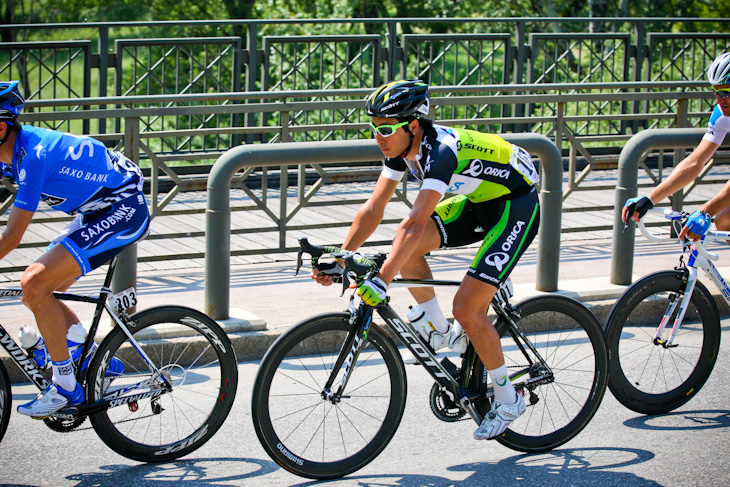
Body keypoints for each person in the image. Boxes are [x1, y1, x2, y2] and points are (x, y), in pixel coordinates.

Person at [311, 79, 540, 440]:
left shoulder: (441, 151)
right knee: (406, 250)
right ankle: (440, 331)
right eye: (372, 127)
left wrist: (381, 281)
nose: (378, 136)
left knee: (467, 307)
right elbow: (374, 208)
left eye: (385, 128)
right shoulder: (401, 150)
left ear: (413, 125)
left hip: (516, 207)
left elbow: (416, 223)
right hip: (478, 202)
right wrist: (343, 258)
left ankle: (508, 397)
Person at [0, 80, 150, 417]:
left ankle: (66, 386)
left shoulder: (33, 156)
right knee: (38, 291)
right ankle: (98, 364)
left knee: (34, 283)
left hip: (123, 208)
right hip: (98, 208)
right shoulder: (9, 153)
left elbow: (12, 237)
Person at [623, 52, 730, 240]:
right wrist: (651, 198)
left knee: (722, 218)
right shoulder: (721, 114)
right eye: (716, 91)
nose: (718, 100)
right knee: (725, 221)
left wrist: (705, 212)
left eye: (725, 93)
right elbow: (695, 162)